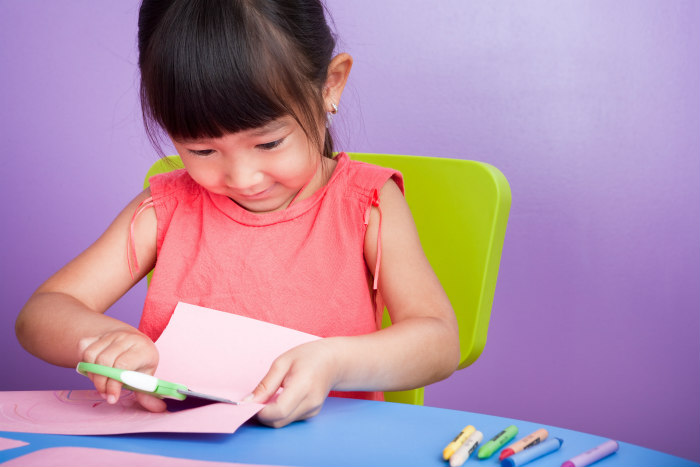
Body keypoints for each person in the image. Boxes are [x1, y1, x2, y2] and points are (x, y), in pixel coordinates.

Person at [15, 0, 459, 428]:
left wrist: (336, 362)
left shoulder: (367, 204)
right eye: (202, 150)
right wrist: (105, 341)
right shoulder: (166, 209)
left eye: (268, 143)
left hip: (322, 445)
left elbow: (439, 341)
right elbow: (43, 312)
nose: (242, 177)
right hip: (179, 446)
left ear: (330, 84)